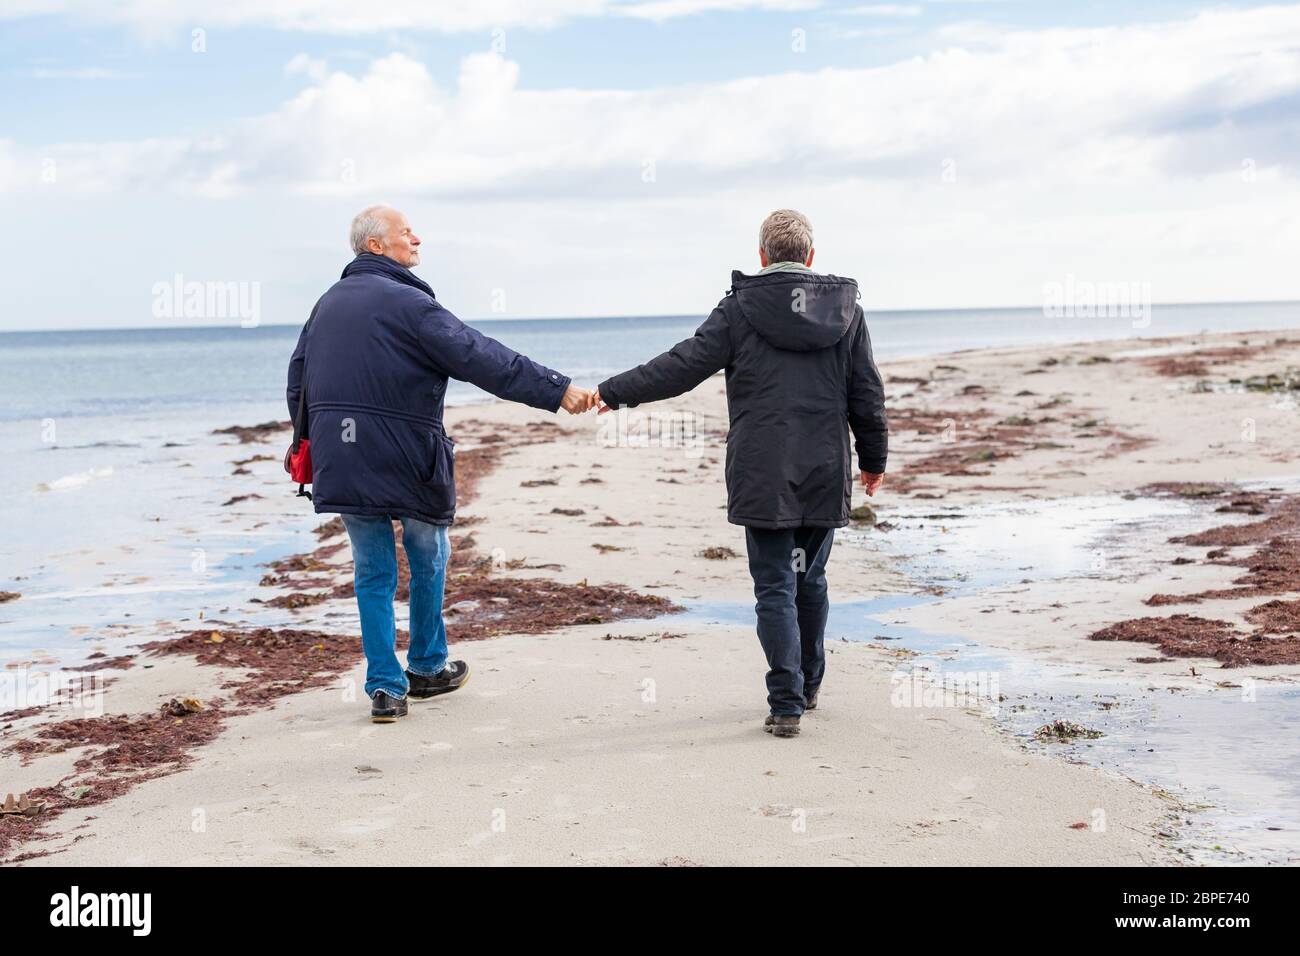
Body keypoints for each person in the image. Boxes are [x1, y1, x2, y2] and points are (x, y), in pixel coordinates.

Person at [286, 205, 592, 723]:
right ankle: (427, 666)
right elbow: (480, 356)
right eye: (406, 232)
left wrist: (314, 441)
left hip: (346, 458)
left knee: (372, 570)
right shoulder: (410, 304)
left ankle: (385, 688)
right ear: (377, 246)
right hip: (410, 456)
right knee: (427, 554)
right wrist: (557, 390)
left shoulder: (325, 304)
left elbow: (298, 382)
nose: (417, 238)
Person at [590, 209, 888, 738]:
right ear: (811, 257)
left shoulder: (741, 309)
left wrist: (613, 392)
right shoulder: (847, 313)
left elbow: (682, 366)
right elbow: (866, 392)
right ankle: (807, 684)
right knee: (809, 578)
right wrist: (873, 460)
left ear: (762, 256)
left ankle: (787, 701)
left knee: (775, 585)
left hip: (763, 469)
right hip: (823, 465)